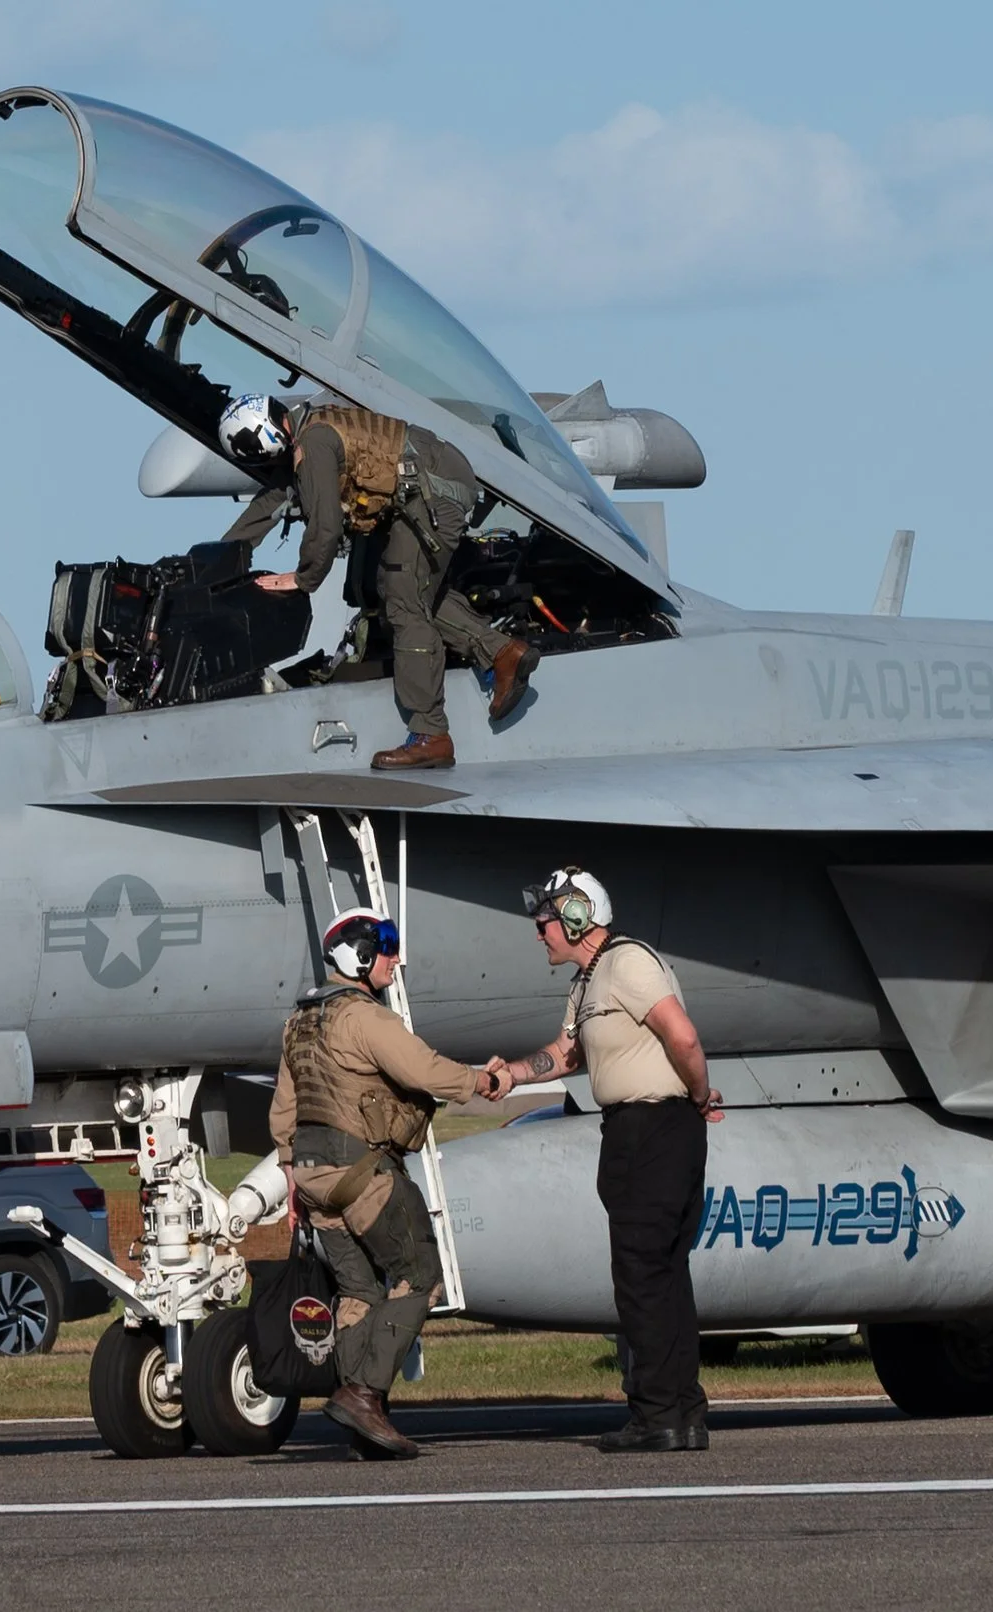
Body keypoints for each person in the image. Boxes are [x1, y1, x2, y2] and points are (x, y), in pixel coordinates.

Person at [492, 868, 722, 1453]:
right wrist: (512, 1074)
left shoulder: (628, 963)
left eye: (545, 920)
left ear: (576, 917)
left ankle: (656, 1416)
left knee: (642, 1278)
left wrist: (699, 1096)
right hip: (639, 1130)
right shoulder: (590, 980)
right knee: (664, 1276)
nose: (538, 932)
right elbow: (566, 1053)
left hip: (654, 1129)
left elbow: (683, 1037)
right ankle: (684, 1414)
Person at [269, 908, 503, 1457]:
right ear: (360, 955)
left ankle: (362, 1424)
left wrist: (291, 1179)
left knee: (358, 1292)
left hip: (312, 1180)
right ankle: (364, 1395)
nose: (396, 959)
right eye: (388, 946)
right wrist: (482, 1081)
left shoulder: (299, 1022)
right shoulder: (364, 1017)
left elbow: (284, 1112)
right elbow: (424, 1069)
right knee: (420, 1275)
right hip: (361, 1175)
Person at [215, 392, 537, 771]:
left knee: (403, 600)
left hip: (434, 492)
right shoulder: (309, 431)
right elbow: (269, 503)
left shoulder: (314, 443)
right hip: (430, 487)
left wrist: (303, 579)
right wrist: (218, 562)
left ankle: (431, 734)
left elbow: (326, 526)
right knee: (400, 591)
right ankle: (501, 653)